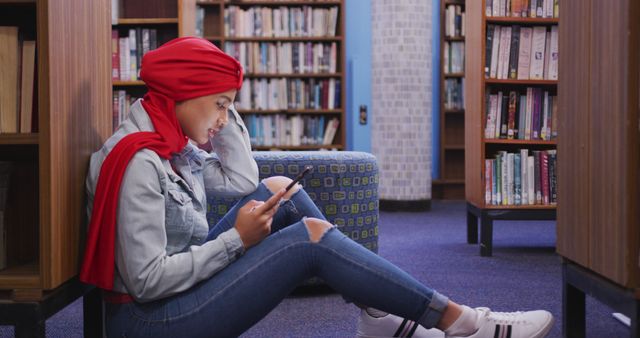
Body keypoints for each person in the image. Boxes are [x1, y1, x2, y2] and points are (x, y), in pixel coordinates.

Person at [79, 37, 554, 338]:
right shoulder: (141, 160)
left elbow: (242, 179)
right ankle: (461, 323)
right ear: (182, 96)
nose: (225, 118)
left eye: (229, 106)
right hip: (150, 322)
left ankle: (380, 316)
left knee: (279, 187)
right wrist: (235, 242)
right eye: (220, 104)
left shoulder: (168, 140)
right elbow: (146, 283)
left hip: (173, 296)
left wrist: (216, 115)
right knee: (310, 237)